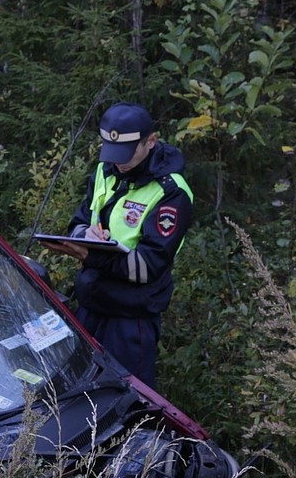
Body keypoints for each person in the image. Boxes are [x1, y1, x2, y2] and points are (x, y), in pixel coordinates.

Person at [41, 102, 193, 388]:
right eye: (112, 152)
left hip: (129, 319)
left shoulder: (171, 193)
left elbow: (148, 267)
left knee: (125, 402)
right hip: (89, 305)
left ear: (151, 141)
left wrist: (90, 255)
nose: (118, 162)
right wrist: (85, 234)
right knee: (71, 393)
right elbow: (80, 219)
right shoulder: (106, 169)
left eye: (126, 153)